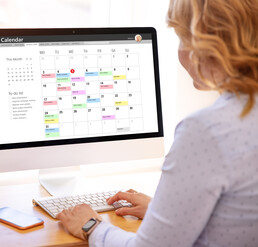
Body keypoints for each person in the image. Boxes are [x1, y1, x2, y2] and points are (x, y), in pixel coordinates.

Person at [57, 0, 258, 246]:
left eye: (183, 38)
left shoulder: (206, 131)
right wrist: (162, 211)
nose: (181, 53)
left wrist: (91, 226)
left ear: (206, 45)